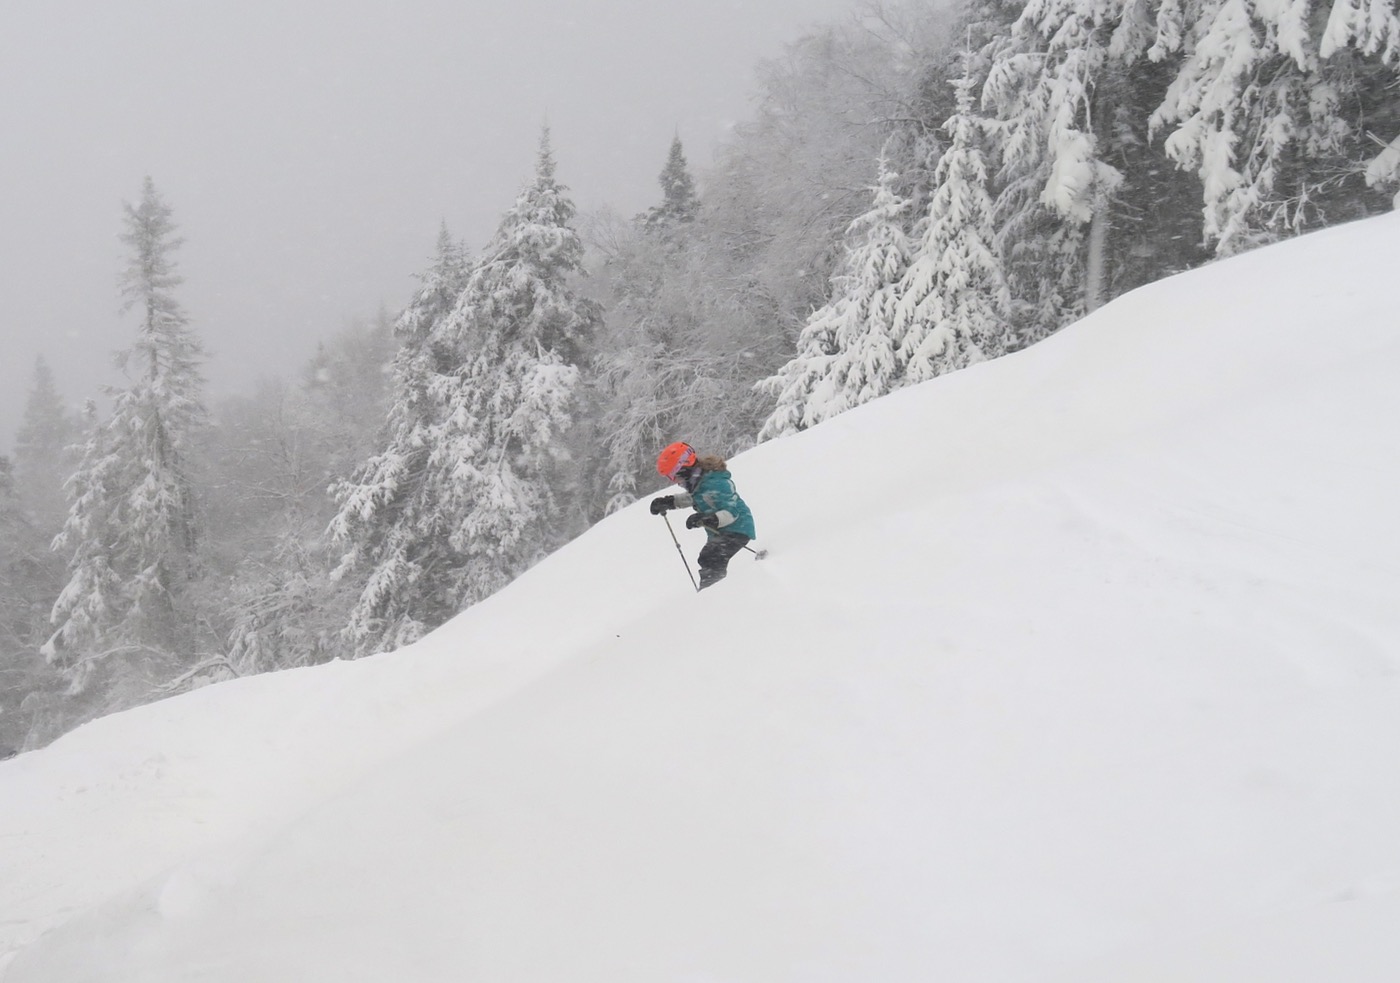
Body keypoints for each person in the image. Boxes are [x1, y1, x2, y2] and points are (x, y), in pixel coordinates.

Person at [649, 441, 756, 589]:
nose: (675, 481)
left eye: (673, 476)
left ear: (684, 469)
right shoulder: (699, 483)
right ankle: (713, 591)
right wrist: (669, 502)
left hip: (738, 528)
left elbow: (732, 512)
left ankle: (713, 593)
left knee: (711, 557)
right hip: (720, 531)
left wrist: (708, 519)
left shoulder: (716, 483)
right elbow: (694, 497)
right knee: (709, 557)